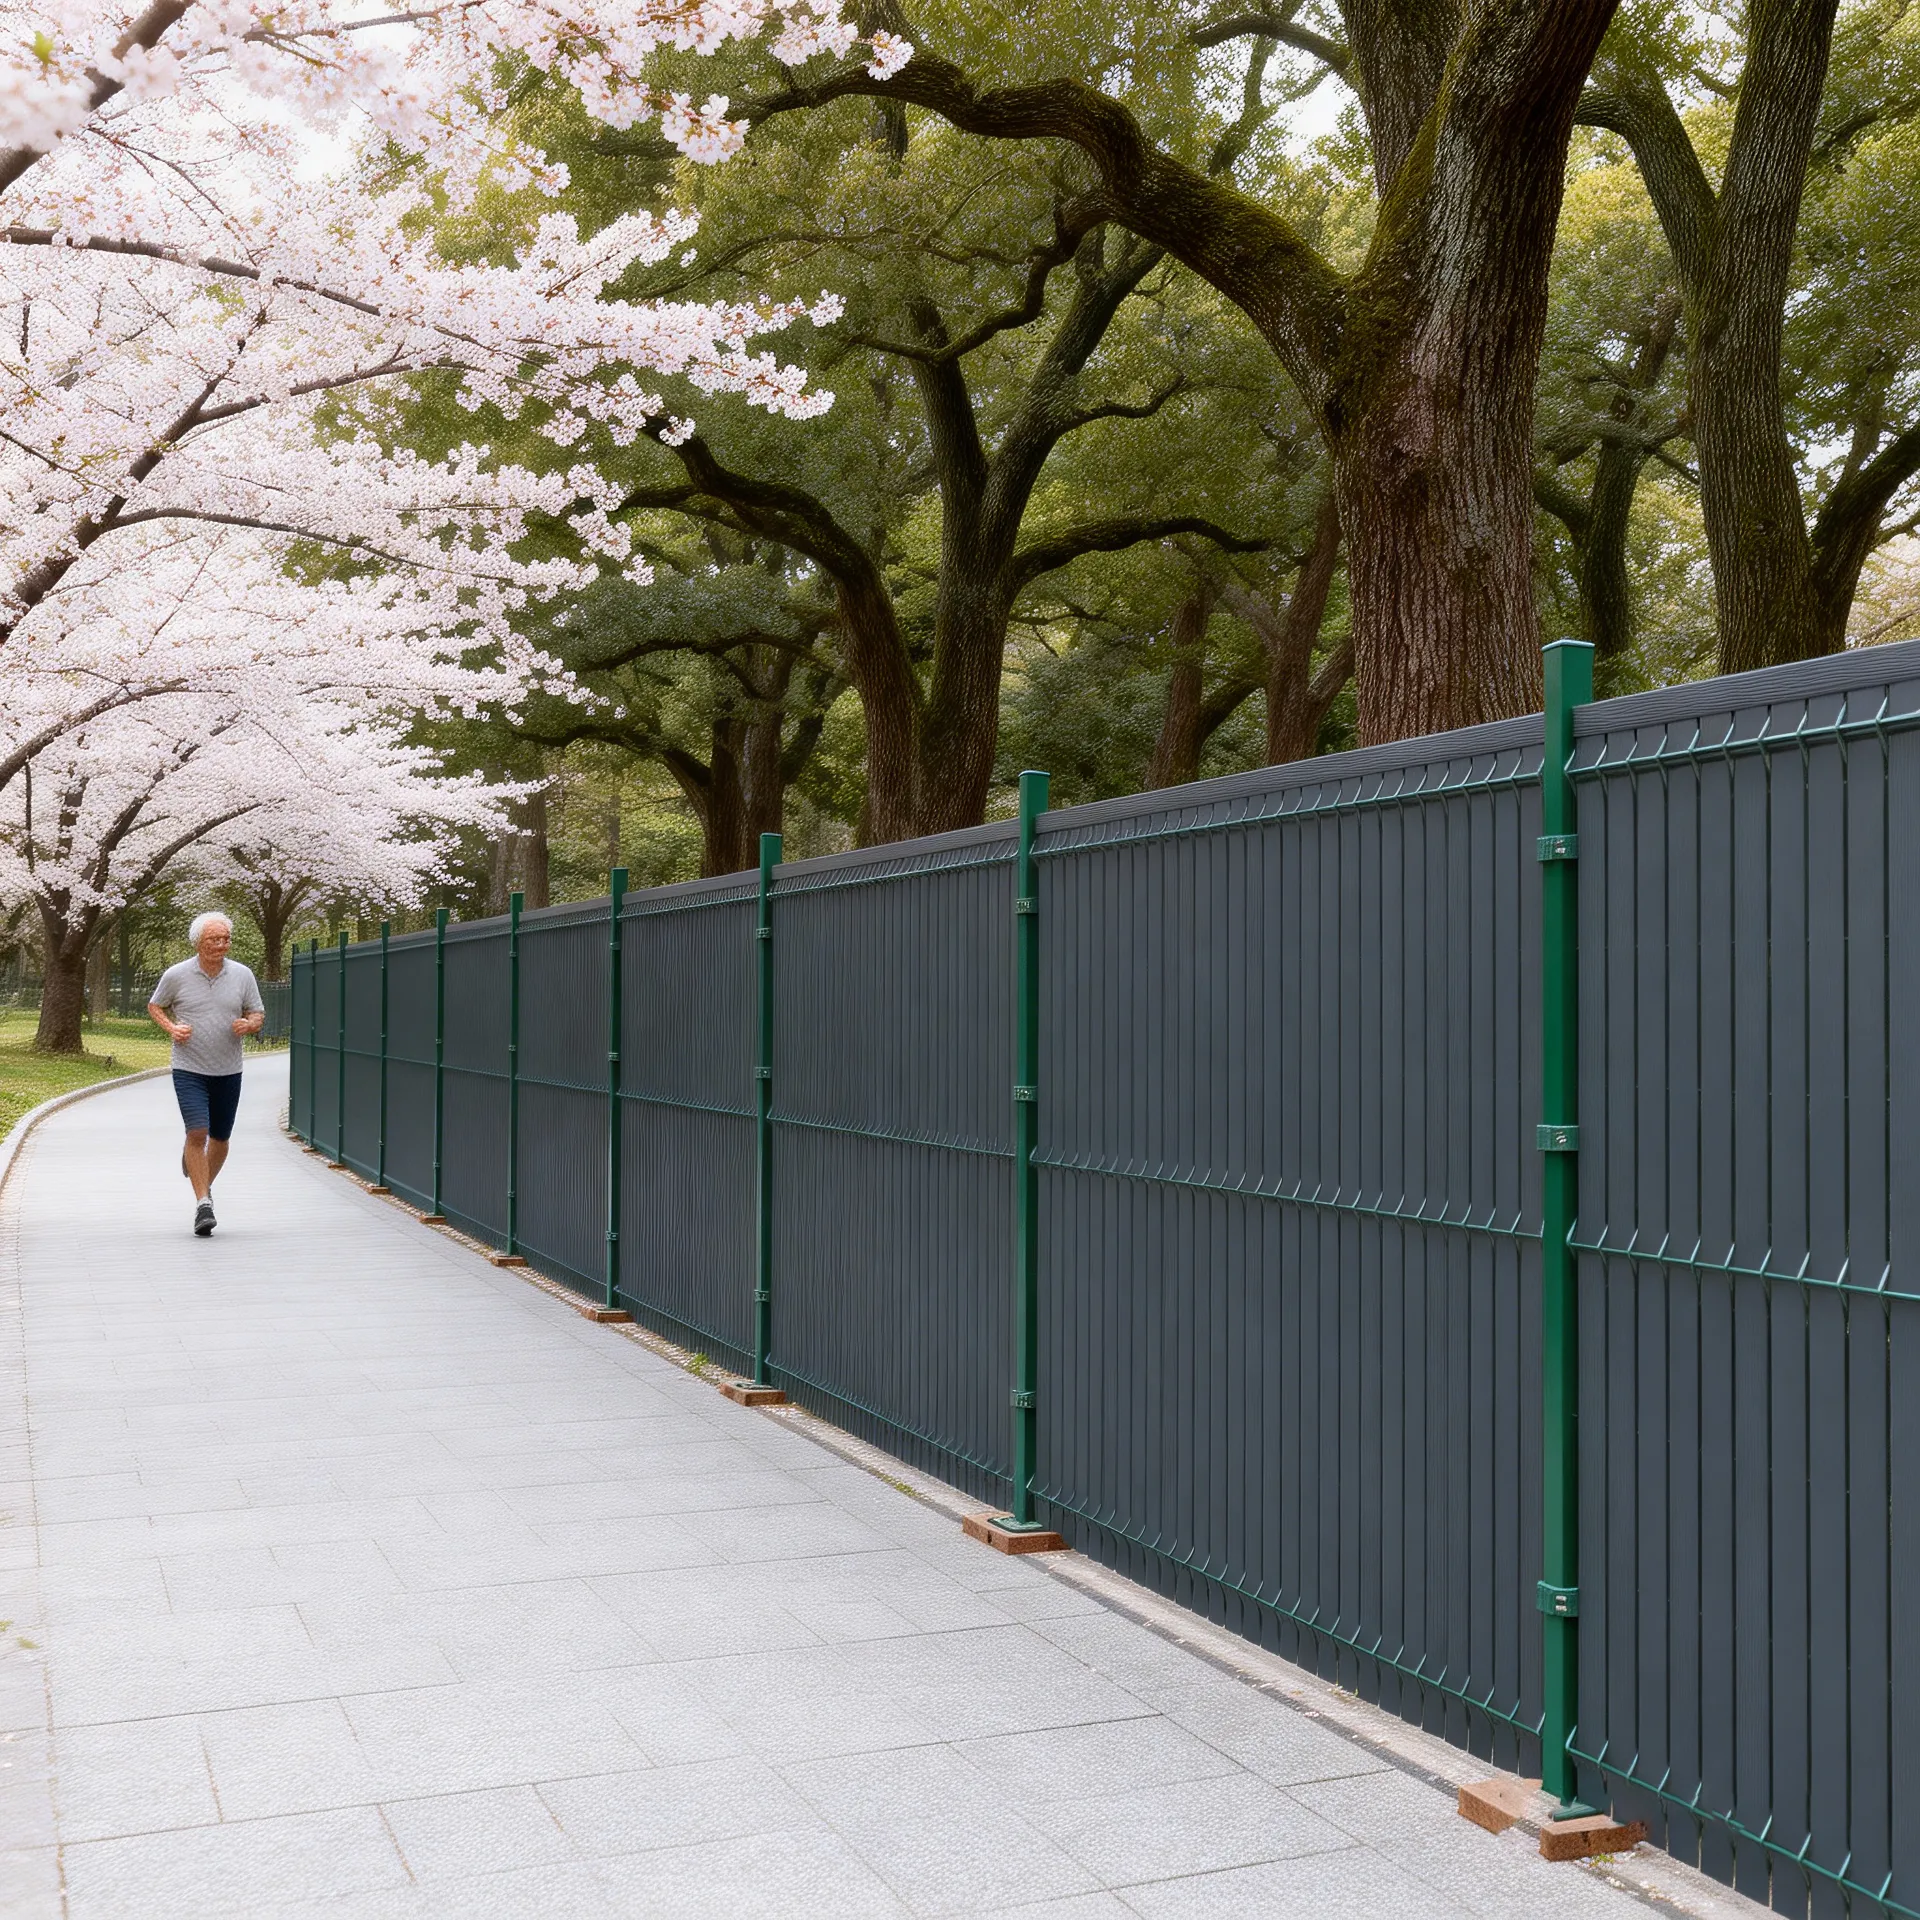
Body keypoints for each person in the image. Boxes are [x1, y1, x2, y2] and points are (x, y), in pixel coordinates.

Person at [148, 912, 266, 1236]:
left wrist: (250, 1023)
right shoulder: (177, 975)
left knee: (221, 1138)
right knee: (197, 1132)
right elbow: (155, 1005)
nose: (221, 944)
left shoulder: (242, 975)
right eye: (214, 939)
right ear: (198, 942)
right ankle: (203, 1203)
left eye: (225, 938)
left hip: (229, 1068)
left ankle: (201, 1179)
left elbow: (257, 1012)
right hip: (189, 1068)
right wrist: (172, 1027)